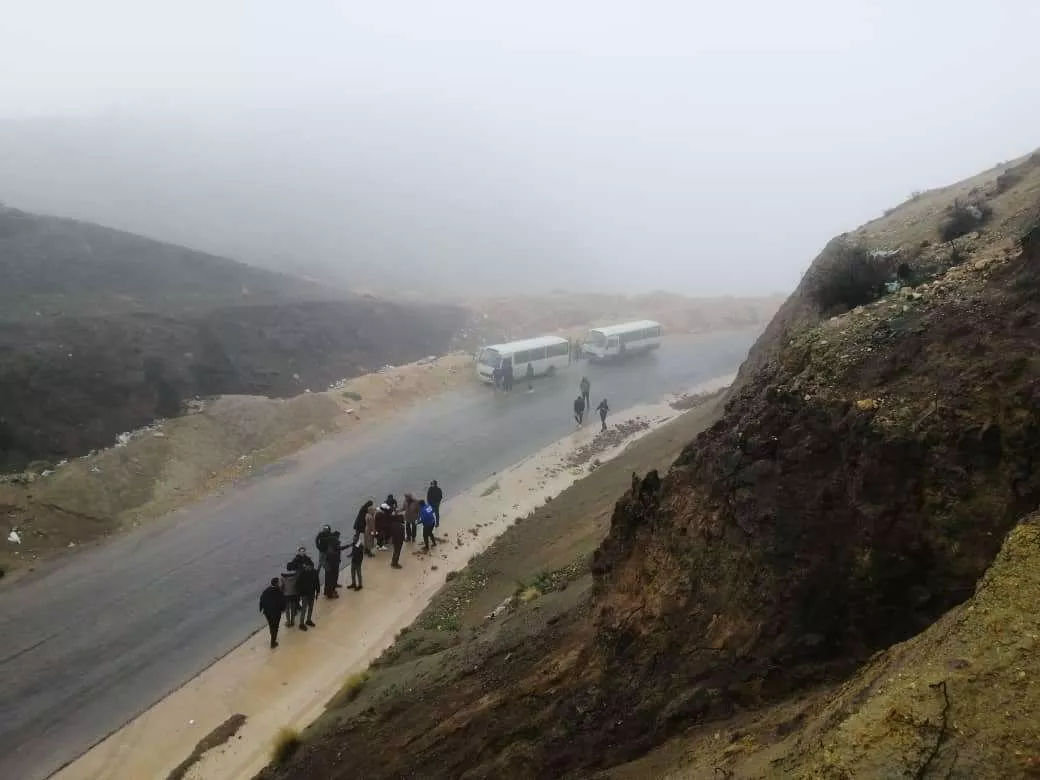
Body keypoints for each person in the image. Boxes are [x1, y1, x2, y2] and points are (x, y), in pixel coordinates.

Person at [259, 577, 286, 649]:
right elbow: (282, 601)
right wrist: (283, 609)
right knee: (275, 626)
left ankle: (272, 638)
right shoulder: (278, 591)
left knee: (271, 625)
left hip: (267, 612)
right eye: (278, 582)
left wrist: (261, 608)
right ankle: (273, 642)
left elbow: (261, 599)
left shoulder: (266, 590)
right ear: (277, 583)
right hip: (275, 612)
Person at [296, 560, 319, 630]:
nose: (307, 568)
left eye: (309, 567)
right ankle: (301, 624)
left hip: (312, 593)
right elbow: (298, 585)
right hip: (304, 594)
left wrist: (318, 591)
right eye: (307, 566)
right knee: (304, 609)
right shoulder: (302, 573)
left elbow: (317, 582)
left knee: (311, 607)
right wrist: (300, 594)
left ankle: (308, 620)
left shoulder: (315, 572)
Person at [324, 531, 344, 598]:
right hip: (332, 565)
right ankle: (330, 593)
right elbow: (333, 554)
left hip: (332, 564)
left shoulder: (332, 546)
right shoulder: (332, 548)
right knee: (331, 579)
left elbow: (339, 550)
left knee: (330, 579)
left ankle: (328, 591)